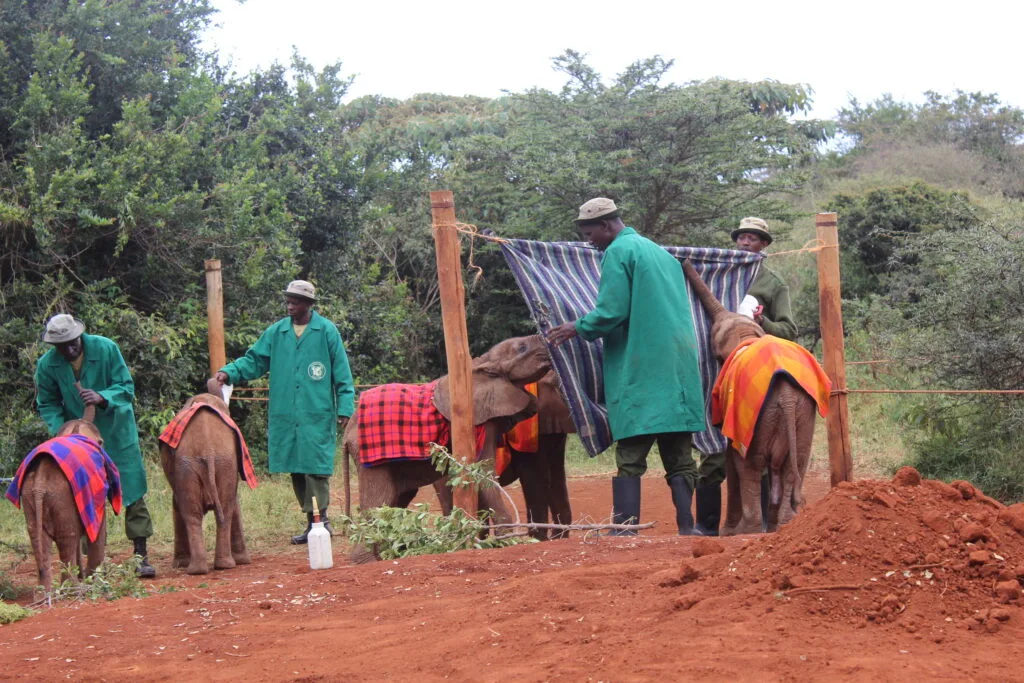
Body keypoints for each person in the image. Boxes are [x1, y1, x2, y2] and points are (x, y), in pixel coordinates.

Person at [547, 198, 706, 535]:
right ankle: (687, 527)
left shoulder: (619, 252)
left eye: (591, 234)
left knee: (632, 451)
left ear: (607, 226)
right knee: (679, 451)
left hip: (641, 367)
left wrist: (576, 327)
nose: (590, 241)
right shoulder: (661, 253)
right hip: (677, 367)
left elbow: (611, 311)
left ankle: (625, 530)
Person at [214, 280, 354, 545]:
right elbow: (254, 360)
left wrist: (345, 406)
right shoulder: (276, 332)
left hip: (317, 411)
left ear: (309, 305)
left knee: (316, 468)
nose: (290, 306)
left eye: (296, 301)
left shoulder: (326, 331)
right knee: (297, 468)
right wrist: (229, 371)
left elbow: (342, 372)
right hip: (287, 414)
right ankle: (310, 522)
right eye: (288, 301)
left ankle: (320, 520)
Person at [694, 217, 798, 535]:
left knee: (757, 447)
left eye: (752, 238)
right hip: (715, 371)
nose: (744, 243)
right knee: (714, 449)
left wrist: (760, 321)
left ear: (763, 245)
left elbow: (789, 331)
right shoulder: (717, 274)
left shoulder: (772, 284)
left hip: (755, 377)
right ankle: (706, 525)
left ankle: (764, 524)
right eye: (741, 238)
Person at [34, 314, 156, 577]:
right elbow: (47, 403)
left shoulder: (106, 348)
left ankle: (141, 556)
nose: (68, 349)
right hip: (77, 442)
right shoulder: (46, 365)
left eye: (72, 342)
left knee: (132, 489)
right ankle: (85, 562)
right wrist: (61, 431)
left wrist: (103, 397)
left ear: (80, 335)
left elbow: (126, 387)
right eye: (61, 345)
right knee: (79, 493)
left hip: (117, 431)